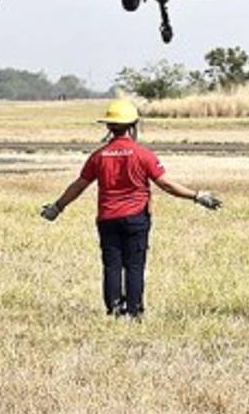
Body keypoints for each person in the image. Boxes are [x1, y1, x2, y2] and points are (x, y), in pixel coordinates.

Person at [40, 99, 222, 318]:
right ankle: (134, 311)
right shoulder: (143, 154)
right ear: (133, 125)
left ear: (108, 126)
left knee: (112, 266)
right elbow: (165, 184)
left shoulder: (98, 156)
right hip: (136, 218)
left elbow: (79, 185)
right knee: (135, 266)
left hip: (107, 219)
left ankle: (114, 309)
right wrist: (196, 196)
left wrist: (57, 207)